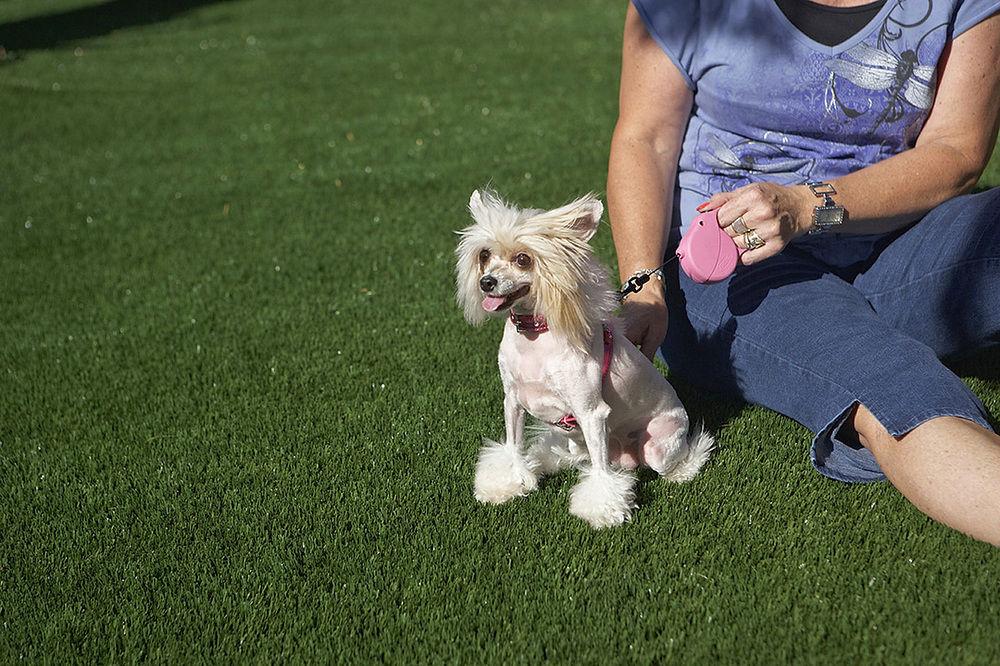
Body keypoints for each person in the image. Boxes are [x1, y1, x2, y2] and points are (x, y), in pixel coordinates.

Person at [607, 0, 1000, 545]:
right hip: (731, 269)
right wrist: (644, 286)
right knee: (888, 378)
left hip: (897, 241)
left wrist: (805, 207)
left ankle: (853, 323)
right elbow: (644, 139)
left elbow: (956, 151)